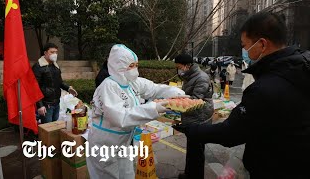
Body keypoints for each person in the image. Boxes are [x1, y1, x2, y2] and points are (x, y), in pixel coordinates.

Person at [173, 12, 310, 178]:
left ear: (262, 44)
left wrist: (192, 130)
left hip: (275, 167)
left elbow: (231, 133)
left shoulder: (264, 88)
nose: (244, 51)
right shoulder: (301, 68)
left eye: (245, 46)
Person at [86, 44, 186, 179]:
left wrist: (175, 93)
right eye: (131, 65)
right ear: (118, 66)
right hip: (106, 143)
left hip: (124, 141)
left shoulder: (131, 82)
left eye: (136, 65)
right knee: (108, 175)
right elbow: (120, 117)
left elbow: (154, 89)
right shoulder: (108, 86)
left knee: (127, 174)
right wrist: (153, 108)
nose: (135, 69)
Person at [174, 54, 214, 179]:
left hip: (200, 116)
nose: (178, 70)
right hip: (192, 116)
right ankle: (189, 174)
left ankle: (195, 176)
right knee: (192, 148)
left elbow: (196, 99)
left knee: (196, 150)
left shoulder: (201, 78)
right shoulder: (190, 75)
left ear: (187, 65)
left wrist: (175, 101)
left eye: (179, 67)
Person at [32, 43, 78, 124]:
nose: (55, 54)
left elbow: (59, 82)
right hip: (46, 104)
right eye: (52, 52)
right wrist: (40, 105)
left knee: (54, 125)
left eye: (56, 52)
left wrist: (68, 88)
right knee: (47, 128)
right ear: (45, 53)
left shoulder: (55, 66)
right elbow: (34, 87)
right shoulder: (38, 67)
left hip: (56, 102)